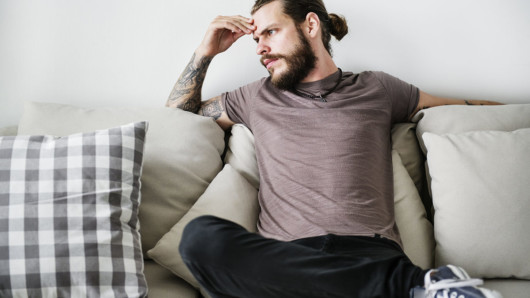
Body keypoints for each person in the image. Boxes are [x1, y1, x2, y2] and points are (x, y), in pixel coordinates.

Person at [166, 0, 503, 297]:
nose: (259, 48)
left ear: (310, 25)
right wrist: (204, 53)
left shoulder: (377, 87)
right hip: (286, 263)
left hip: (369, 251)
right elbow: (176, 122)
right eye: (256, 39)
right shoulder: (254, 97)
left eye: (270, 32)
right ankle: (410, 286)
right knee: (200, 238)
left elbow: (464, 108)